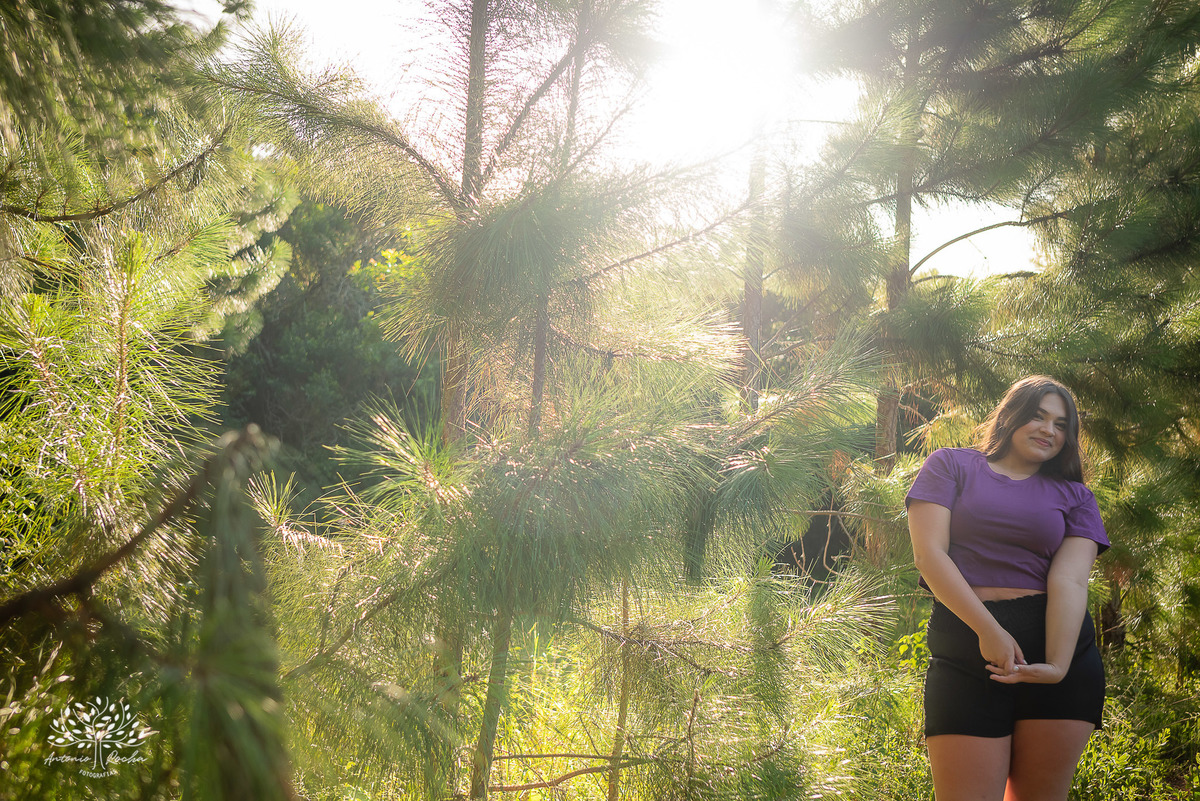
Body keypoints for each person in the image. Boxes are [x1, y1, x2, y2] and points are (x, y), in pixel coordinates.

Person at [906, 375, 1109, 801]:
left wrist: (1057, 666)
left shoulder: (1076, 496)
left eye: (1060, 424)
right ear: (1010, 415)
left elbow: (1069, 579)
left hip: (1058, 656)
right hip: (967, 645)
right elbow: (929, 556)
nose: (1049, 430)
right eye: (1038, 417)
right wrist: (988, 630)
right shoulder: (951, 465)